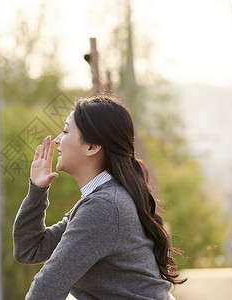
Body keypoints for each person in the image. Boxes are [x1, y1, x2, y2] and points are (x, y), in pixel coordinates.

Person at [13, 95, 185, 300]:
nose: (58, 139)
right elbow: (29, 249)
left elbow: (45, 290)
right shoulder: (102, 201)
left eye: (66, 131)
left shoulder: (105, 207)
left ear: (92, 147)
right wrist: (37, 190)